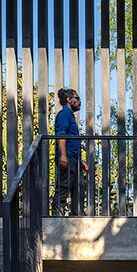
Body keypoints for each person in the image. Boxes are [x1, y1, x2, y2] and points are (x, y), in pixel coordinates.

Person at [53, 87, 88, 215]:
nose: (80, 102)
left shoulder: (70, 116)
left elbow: (72, 142)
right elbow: (61, 135)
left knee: (78, 189)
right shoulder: (64, 114)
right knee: (64, 187)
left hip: (74, 159)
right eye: (77, 99)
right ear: (69, 99)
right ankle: (56, 218)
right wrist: (63, 156)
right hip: (67, 158)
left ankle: (77, 216)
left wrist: (81, 161)